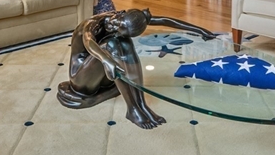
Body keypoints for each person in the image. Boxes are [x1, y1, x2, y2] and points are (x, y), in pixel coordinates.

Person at [57, 8, 216, 129]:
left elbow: (164, 20)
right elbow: (89, 43)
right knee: (112, 44)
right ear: (120, 15)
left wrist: (200, 30)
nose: (113, 26)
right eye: (116, 23)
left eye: (118, 28)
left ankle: (140, 104)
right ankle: (133, 109)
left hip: (104, 77)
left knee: (123, 43)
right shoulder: (92, 24)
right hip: (81, 79)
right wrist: (106, 60)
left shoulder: (128, 19)